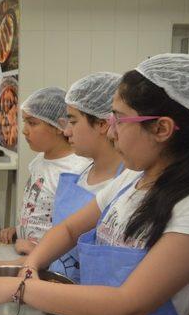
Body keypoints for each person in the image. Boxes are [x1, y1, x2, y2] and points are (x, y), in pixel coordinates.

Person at [0, 54, 189, 315]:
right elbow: (70, 229)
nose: (111, 132)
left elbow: (128, 304)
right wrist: (32, 265)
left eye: (118, 119)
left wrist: (22, 288)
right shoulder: (131, 179)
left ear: (161, 129)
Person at [48, 72, 130, 282]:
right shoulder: (80, 174)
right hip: (56, 283)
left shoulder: (125, 185)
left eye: (73, 122)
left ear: (103, 124)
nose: (66, 132)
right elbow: (65, 231)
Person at [0, 87, 89, 254]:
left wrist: (37, 249)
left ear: (59, 126)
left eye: (32, 123)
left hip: (49, 261)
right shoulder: (40, 160)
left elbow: (74, 230)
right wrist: (19, 230)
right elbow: (39, 208)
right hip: (26, 252)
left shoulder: (76, 170)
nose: (24, 130)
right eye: (25, 122)